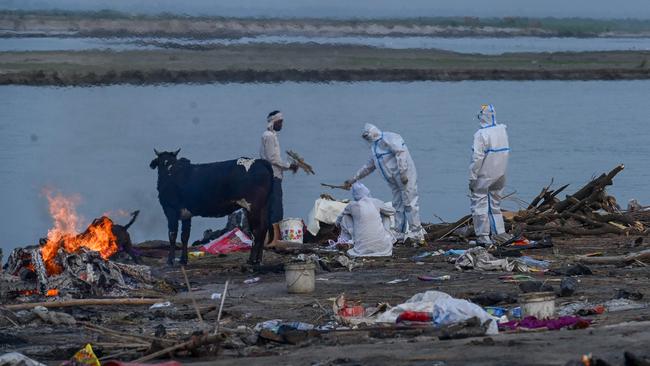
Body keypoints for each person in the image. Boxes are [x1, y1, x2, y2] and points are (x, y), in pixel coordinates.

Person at [343, 123, 424, 242]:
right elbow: (369, 167)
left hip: (405, 177)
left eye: (367, 135)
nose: (367, 138)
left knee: (410, 203)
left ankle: (416, 232)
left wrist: (403, 172)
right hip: (394, 182)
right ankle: (399, 231)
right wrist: (354, 179)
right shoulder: (375, 148)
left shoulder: (389, 138)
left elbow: (401, 153)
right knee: (398, 204)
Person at [469, 104, 510, 246]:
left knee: (479, 204)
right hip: (501, 173)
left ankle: (483, 236)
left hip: (485, 174)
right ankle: (499, 233)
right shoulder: (502, 130)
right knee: (495, 204)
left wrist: (472, 177)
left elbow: (477, 158)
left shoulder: (481, 134)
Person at [260, 110, 298, 244]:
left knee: (270, 208)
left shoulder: (271, 135)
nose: (282, 124)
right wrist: (289, 166)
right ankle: (274, 240)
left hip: (270, 175)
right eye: (280, 122)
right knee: (276, 209)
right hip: (272, 176)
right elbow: (273, 158)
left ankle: (268, 240)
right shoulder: (269, 136)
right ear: (273, 122)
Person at [336, 182, 396, 257]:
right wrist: (379, 210)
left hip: (362, 249)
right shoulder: (376, 202)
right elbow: (392, 211)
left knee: (345, 217)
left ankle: (346, 239)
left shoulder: (351, 205)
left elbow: (339, 218)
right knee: (386, 215)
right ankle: (386, 237)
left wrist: (337, 225)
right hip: (383, 248)